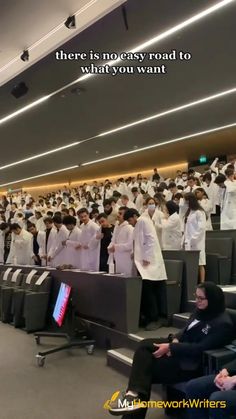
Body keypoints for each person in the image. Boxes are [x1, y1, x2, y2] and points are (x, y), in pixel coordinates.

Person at [108, 282, 234, 418]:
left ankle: (134, 396)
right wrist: (175, 339)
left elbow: (200, 348)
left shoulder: (223, 324)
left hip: (190, 363)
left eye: (200, 298)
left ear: (213, 299)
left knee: (144, 372)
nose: (196, 301)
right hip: (180, 349)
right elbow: (186, 329)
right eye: (195, 296)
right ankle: (133, 395)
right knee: (144, 346)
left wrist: (172, 348)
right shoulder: (201, 311)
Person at [124, 208, 167, 331]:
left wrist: (147, 256)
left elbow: (151, 239)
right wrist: (135, 253)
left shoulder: (143, 221)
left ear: (134, 216)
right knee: (147, 291)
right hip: (144, 264)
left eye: (130, 220)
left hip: (150, 262)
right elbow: (137, 243)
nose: (130, 223)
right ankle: (149, 317)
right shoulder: (138, 224)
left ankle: (155, 318)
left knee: (150, 291)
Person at [183, 193, 207, 283]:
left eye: (186, 200)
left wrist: (193, 238)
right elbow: (186, 228)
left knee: (200, 263)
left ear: (190, 200)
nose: (185, 202)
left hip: (197, 241)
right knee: (191, 264)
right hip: (188, 241)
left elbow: (201, 228)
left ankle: (202, 282)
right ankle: (193, 282)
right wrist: (185, 240)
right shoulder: (189, 212)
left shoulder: (199, 212)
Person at [108, 206, 134, 276]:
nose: (118, 215)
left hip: (126, 258)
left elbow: (130, 245)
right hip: (117, 257)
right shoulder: (117, 226)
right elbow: (113, 240)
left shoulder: (129, 227)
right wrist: (110, 247)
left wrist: (116, 247)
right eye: (118, 213)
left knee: (126, 278)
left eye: (120, 214)